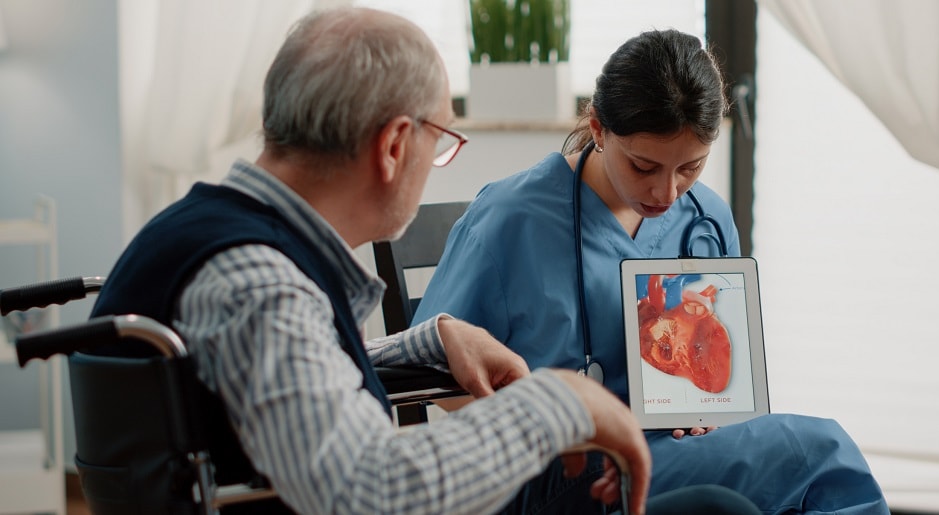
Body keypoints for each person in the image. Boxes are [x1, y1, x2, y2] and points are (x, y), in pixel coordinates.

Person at [87, 8, 763, 515]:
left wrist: (426, 341)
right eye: (442, 140)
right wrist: (554, 402)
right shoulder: (260, 284)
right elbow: (366, 487)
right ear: (393, 145)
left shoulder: (213, 241)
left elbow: (261, 387)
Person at [413, 27, 891, 515]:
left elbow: (723, 373)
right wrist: (553, 420)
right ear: (598, 129)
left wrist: (710, 416)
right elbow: (434, 376)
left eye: (691, 168)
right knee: (821, 453)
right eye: (644, 167)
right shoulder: (511, 218)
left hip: (671, 456)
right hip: (561, 470)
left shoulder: (707, 219)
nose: (667, 192)